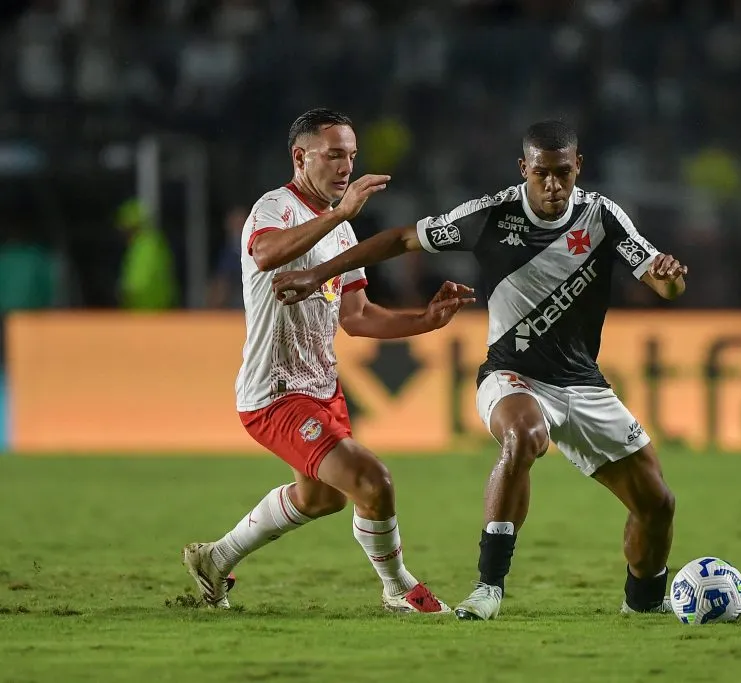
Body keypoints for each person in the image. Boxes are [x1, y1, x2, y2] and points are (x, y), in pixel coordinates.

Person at [271, 120, 687, 620]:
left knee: (657, 504)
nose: (553, 185)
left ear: (579, 167)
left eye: (562, 173)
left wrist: (671, 279)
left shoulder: (603, 217)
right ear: (523, 170)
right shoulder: (493, 215)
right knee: (524, 433)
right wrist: (318, 273)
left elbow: (664, 286)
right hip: (512, 376)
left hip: (582, 382)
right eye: (541, 174)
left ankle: (642, 605)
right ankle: (489, 586)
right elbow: (404, 240)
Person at [182, 108, 475, 614]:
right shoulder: (274, 207)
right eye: (334, 154)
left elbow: (358, 317)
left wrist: (424, 319)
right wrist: (339, 214)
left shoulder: (341, 233)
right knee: (372, 481)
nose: (346, 167)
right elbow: (267, 255)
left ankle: (215, 558)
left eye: (352, 156)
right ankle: (398, 588)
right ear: (300, 157)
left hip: (321, 389)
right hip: (275, 393)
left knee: (324, 498)